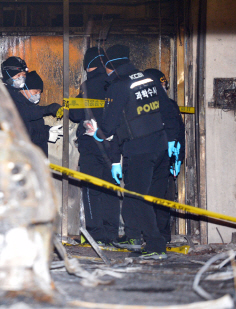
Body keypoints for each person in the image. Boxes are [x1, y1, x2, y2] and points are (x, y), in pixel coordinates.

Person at [84, 44, 182, 260]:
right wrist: (173, 140)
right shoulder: (151, 80)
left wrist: (97, 135)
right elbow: (169, 112)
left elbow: (110, 127)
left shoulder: (119, 86)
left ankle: (156, 246)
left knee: (137, 197)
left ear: (110, 64)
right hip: (161, 146)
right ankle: (141, 238)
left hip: (139, 150)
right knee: (153, 196)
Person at [69, 47, 120, 246]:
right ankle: (112, 233)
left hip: (91, 146)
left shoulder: (88, 86)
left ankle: (95, 235)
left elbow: (74, 113)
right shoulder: (113, 84)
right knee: (111, 190)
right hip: (112, 146)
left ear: (88, 66)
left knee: (91, 190)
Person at [144, 68, 186, 244]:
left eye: (164, 85)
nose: (163, 88)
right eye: (160, 85)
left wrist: (178, 158)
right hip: (148, 160)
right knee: (146, 200)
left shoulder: (170, 105)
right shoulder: (142, 107)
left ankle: (163, 237)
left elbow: (179, 133)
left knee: (165, 199)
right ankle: (148, 236)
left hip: (167, 160)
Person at [1, 57, 61, 156]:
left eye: (24, 75)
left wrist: (47, 129)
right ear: (8, 74)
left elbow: (30, 121)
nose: (22, 78)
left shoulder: (16, 94)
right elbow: (23, 119)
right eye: (18, 75)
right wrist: (47, 134)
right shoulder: (5, 95)